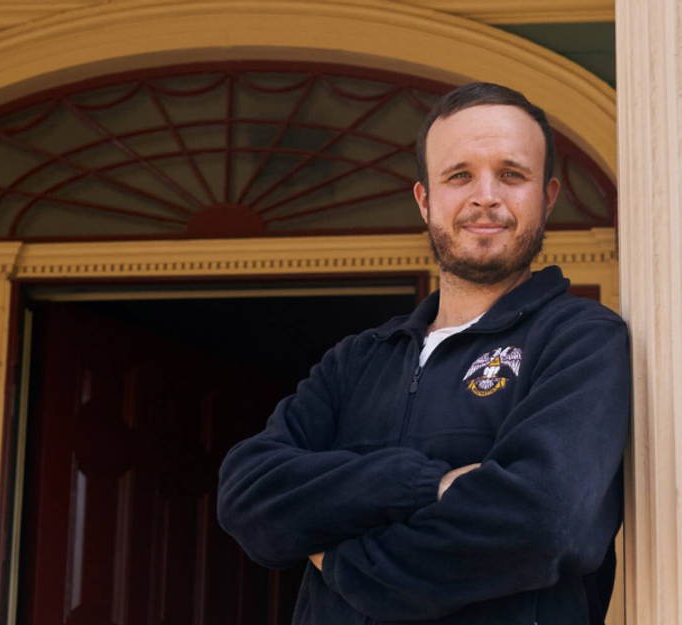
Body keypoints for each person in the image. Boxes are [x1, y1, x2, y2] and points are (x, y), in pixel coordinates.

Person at [217, 82, 630, 625]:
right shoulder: (358, 360)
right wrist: (426, 485)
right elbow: (249, 494)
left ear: (547, 196)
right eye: (459, 175)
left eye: (512, 174)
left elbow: (543, 523)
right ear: (425, 199)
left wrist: (342, 561)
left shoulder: (581, 339)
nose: (486, 195)